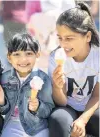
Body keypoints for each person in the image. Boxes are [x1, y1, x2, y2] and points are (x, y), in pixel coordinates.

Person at [48, 2, 99, 137]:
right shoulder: (55, 57)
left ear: (87, 37)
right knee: (57, 120)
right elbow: (61, 102)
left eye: (69, 38)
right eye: (60, 38)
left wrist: (82, 120)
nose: (63, 44)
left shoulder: (98, 56)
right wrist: (57, 87)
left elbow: (97, 96)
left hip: (92, 107)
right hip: (67, 108)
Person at [0, 33, 54, 137]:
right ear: (9, 57)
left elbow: (49, 109)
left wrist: (38, 107)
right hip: (13, 125)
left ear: (37, 55)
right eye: (17, 54)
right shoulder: (5, 78)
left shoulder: (43, 79)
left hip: (37, 127)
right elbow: (4, 110)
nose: (23, 59)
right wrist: (1, 101)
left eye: (28, 54)